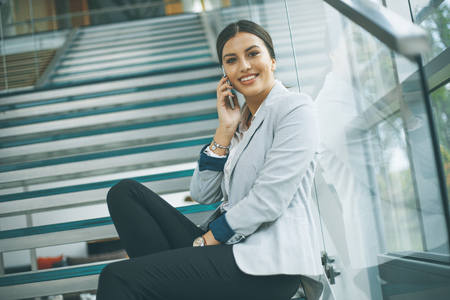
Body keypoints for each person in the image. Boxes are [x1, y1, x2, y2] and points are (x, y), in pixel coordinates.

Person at [97, 20, 323, 300]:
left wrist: (205, 241)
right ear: (225, 74)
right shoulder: (239, 125)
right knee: (124, 194)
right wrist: (225, 130)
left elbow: (270, 198)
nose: (244, 66)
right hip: (229, 249)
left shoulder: (295, 107)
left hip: (269, 264)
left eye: (253, 54)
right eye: (232, 60)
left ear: (272, 61)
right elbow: (202, 193)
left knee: (116, 277)